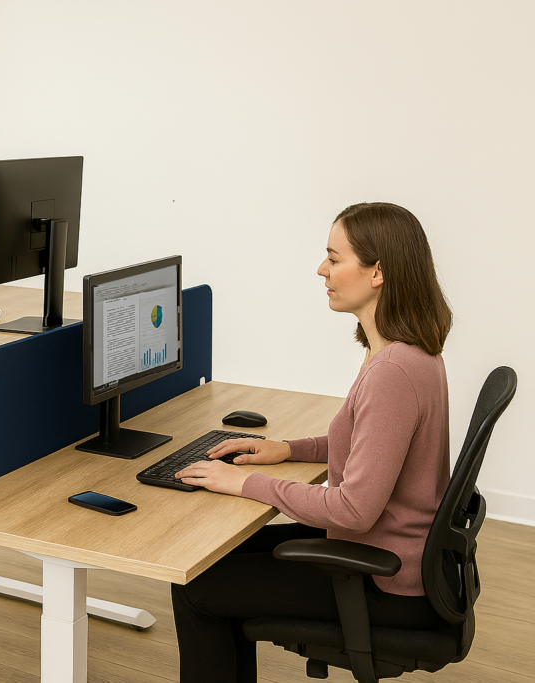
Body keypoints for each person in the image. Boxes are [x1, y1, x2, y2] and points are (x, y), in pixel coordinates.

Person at [169, 202, 454, 683]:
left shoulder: (393, 372)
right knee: (211, 558)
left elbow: (352, 510)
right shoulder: (403, 351)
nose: (321, 269)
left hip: (385, 579)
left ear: (378, 272)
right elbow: (371, 442)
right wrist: (288, 449)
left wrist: (245, 483)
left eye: (334, 257)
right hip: (396, 559)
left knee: (196, 587)